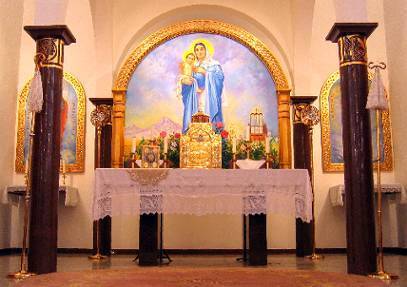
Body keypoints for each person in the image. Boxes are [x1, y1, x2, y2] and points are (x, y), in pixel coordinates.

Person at [193, 42, 224, 125]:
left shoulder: (213, 64)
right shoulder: (193, 65)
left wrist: (205, 72)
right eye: (197, 50)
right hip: (196, 96)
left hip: (209, 95)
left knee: (209, 117)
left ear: (206, 50)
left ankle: (214, 134)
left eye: (201, 49)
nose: (199, 52)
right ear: (195, 52)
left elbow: (220, 77)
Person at [177, 52, 198, 133]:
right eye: (189, 58)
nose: (191, 60)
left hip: (191, 87)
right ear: (186, 58)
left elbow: (192, 77)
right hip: (186, 88)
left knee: (192, 107)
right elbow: (182, 76)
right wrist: (186, 79)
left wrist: (192, 80)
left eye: (193, 59)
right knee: (188, 107)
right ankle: (186, 128)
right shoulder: (184, 65)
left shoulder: (192, 67)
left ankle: (191, 127)